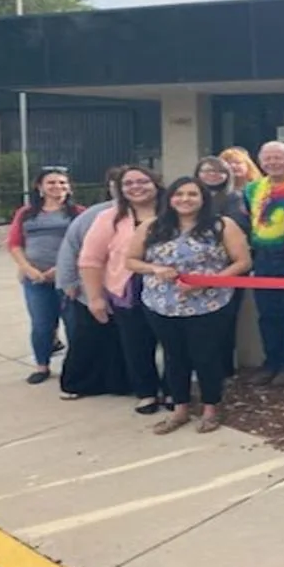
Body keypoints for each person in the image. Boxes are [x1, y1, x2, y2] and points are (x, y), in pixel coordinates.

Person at [128, 177, 251, 434]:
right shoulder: (152, 226)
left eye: (192, 194)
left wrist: (208, 282)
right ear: (170, 198)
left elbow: (242, 262)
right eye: (179, 194)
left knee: (206, 355)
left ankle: (210, 408)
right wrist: (154, 269)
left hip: (209, 303)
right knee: (174, 357)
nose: (185, 199)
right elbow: (131, 260)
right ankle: (180, 409)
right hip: (162, 304)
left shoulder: (221, 226)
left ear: (203, 198)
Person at [79, 166, 166, 415]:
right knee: (136, 344)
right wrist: (95, 297)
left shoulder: (172, 211)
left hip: (170, 289)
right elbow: (91, 259)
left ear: (155, 183)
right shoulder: (109, 217)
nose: (136, 187)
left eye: (143, 181)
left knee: (174, 344)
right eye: (128, 183)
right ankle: (146, 393)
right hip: (128, 289)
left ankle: (174, 389)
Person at [56, 167, 131, 399]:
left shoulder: (148, 212)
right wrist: (68, 280)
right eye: (120, 184)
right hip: (91, 287)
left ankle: (119, 383)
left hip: (126, 290)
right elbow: (71, 247)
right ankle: (77, 383)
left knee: (120, 341)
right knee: (87, 339)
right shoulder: (97, 214)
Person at [7, 168, 84, 385]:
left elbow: (86, 245)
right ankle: (42, 365)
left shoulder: (78, 213)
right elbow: (14, 243)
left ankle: (75, 366)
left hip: (69, 278)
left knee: (74, 324)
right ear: (40, 187)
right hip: (35, 279)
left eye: (62, 182)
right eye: (51, 183)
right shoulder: (26, 213)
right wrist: (26, 268)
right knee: (42, 324)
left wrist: (61, 269)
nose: (57, 186)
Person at [244, 141, 284, 387]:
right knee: (267, 313)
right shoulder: (252, 188)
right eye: (267, 158)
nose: (272, 162)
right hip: (263, 256)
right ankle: (271, 362)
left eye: (278, 157)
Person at [196, 155, 248, 377]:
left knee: (225, 319)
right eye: (207, 170)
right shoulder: (189, 196)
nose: (212, 175)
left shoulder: (234, 197)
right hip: (195, 267)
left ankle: (224, 367)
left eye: (218, 171)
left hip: (228, 266)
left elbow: (239, 226)